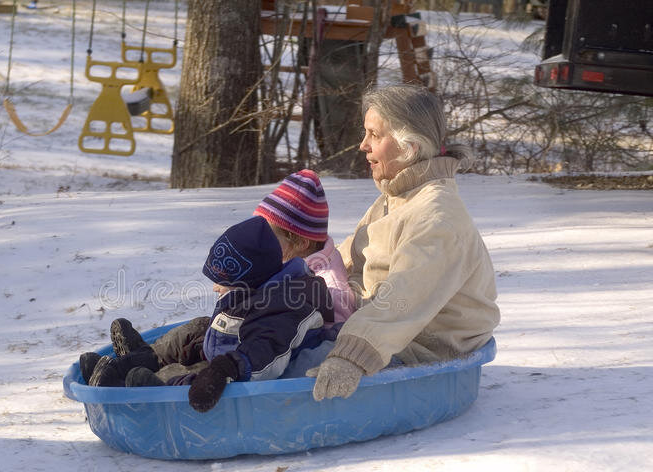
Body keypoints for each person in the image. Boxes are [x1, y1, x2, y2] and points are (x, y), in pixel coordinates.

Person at [308, 84, 500, 401]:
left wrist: (349, 356)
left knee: (296, 366)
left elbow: (402, 300)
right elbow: (340, 264)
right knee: (266, 339)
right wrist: (265, 300)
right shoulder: (394, 200)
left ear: (409, 145)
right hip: (371, 325)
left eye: (374, 135)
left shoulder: (437, 217)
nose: (362, 145)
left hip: (420, 347)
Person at [81, 216, 335, 412]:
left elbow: (265, 354)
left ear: (249, 280)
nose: (215, 288)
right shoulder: (259, 286)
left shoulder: (287, 305)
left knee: (198, 376)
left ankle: (137, 386)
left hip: (254, 372)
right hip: (235, 348)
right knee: (199, 328)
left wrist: (224, 368)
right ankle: (142, 358)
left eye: (223, 283)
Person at [253, 168, 357, 325]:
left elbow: (333, 340)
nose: (260, 241)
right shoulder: (287, 258)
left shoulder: (330, 291)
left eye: (269, 236)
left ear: (301, 243)